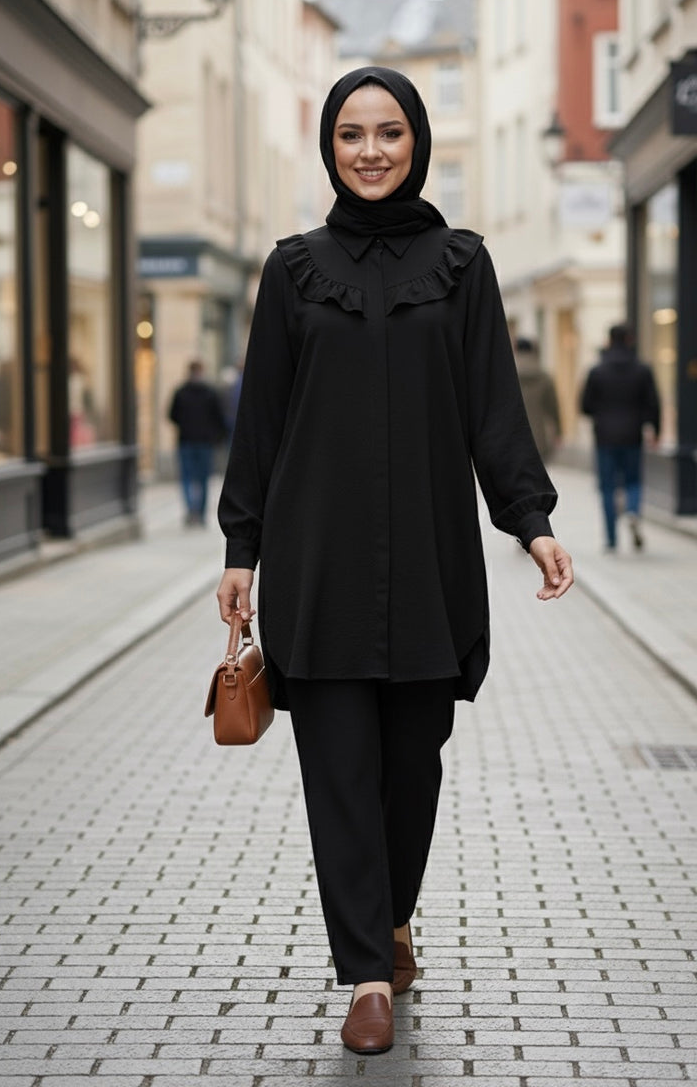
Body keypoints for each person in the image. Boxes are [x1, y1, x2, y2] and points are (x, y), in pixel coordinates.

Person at [216, 67, 573, 1055]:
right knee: (338, 770)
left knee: (411, 770)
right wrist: (240, 546)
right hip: (318, 562)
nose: (369, 150)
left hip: (429, 565)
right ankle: (367, 971)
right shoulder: (293, 271)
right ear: (330, 149)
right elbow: (264, 423)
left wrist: (531, 521)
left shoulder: (463, 265)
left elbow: (494, 408)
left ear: (415, 140)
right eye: (349, 135)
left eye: (387, 133)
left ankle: (396, 913)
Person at [580, 324, 660, 551]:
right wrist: (655, 429)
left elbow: (585, 406)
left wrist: (602, 414)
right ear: (630, 340)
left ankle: (611, 540)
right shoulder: (643, 370)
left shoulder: (597, 371)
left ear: (609, 340)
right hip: (633, 435)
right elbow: (653, 404)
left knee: (607, 488)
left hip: (604, 437)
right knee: (633, 481)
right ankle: (633, 511)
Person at [168, 359, 227, 526]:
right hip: (203, 442)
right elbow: (219, 418)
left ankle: (191, 510)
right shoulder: (210, 392)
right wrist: (216, 436)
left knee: (187, 477)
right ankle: (199, 513)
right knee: (202, 479)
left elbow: (172, 415)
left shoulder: (181, 392)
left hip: (186, 440)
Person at [513, 336, 562, 462]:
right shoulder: (544, 376)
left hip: (513, 436)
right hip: (539, 436)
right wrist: (558, 432)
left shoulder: (506, 374)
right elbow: (553, 407)